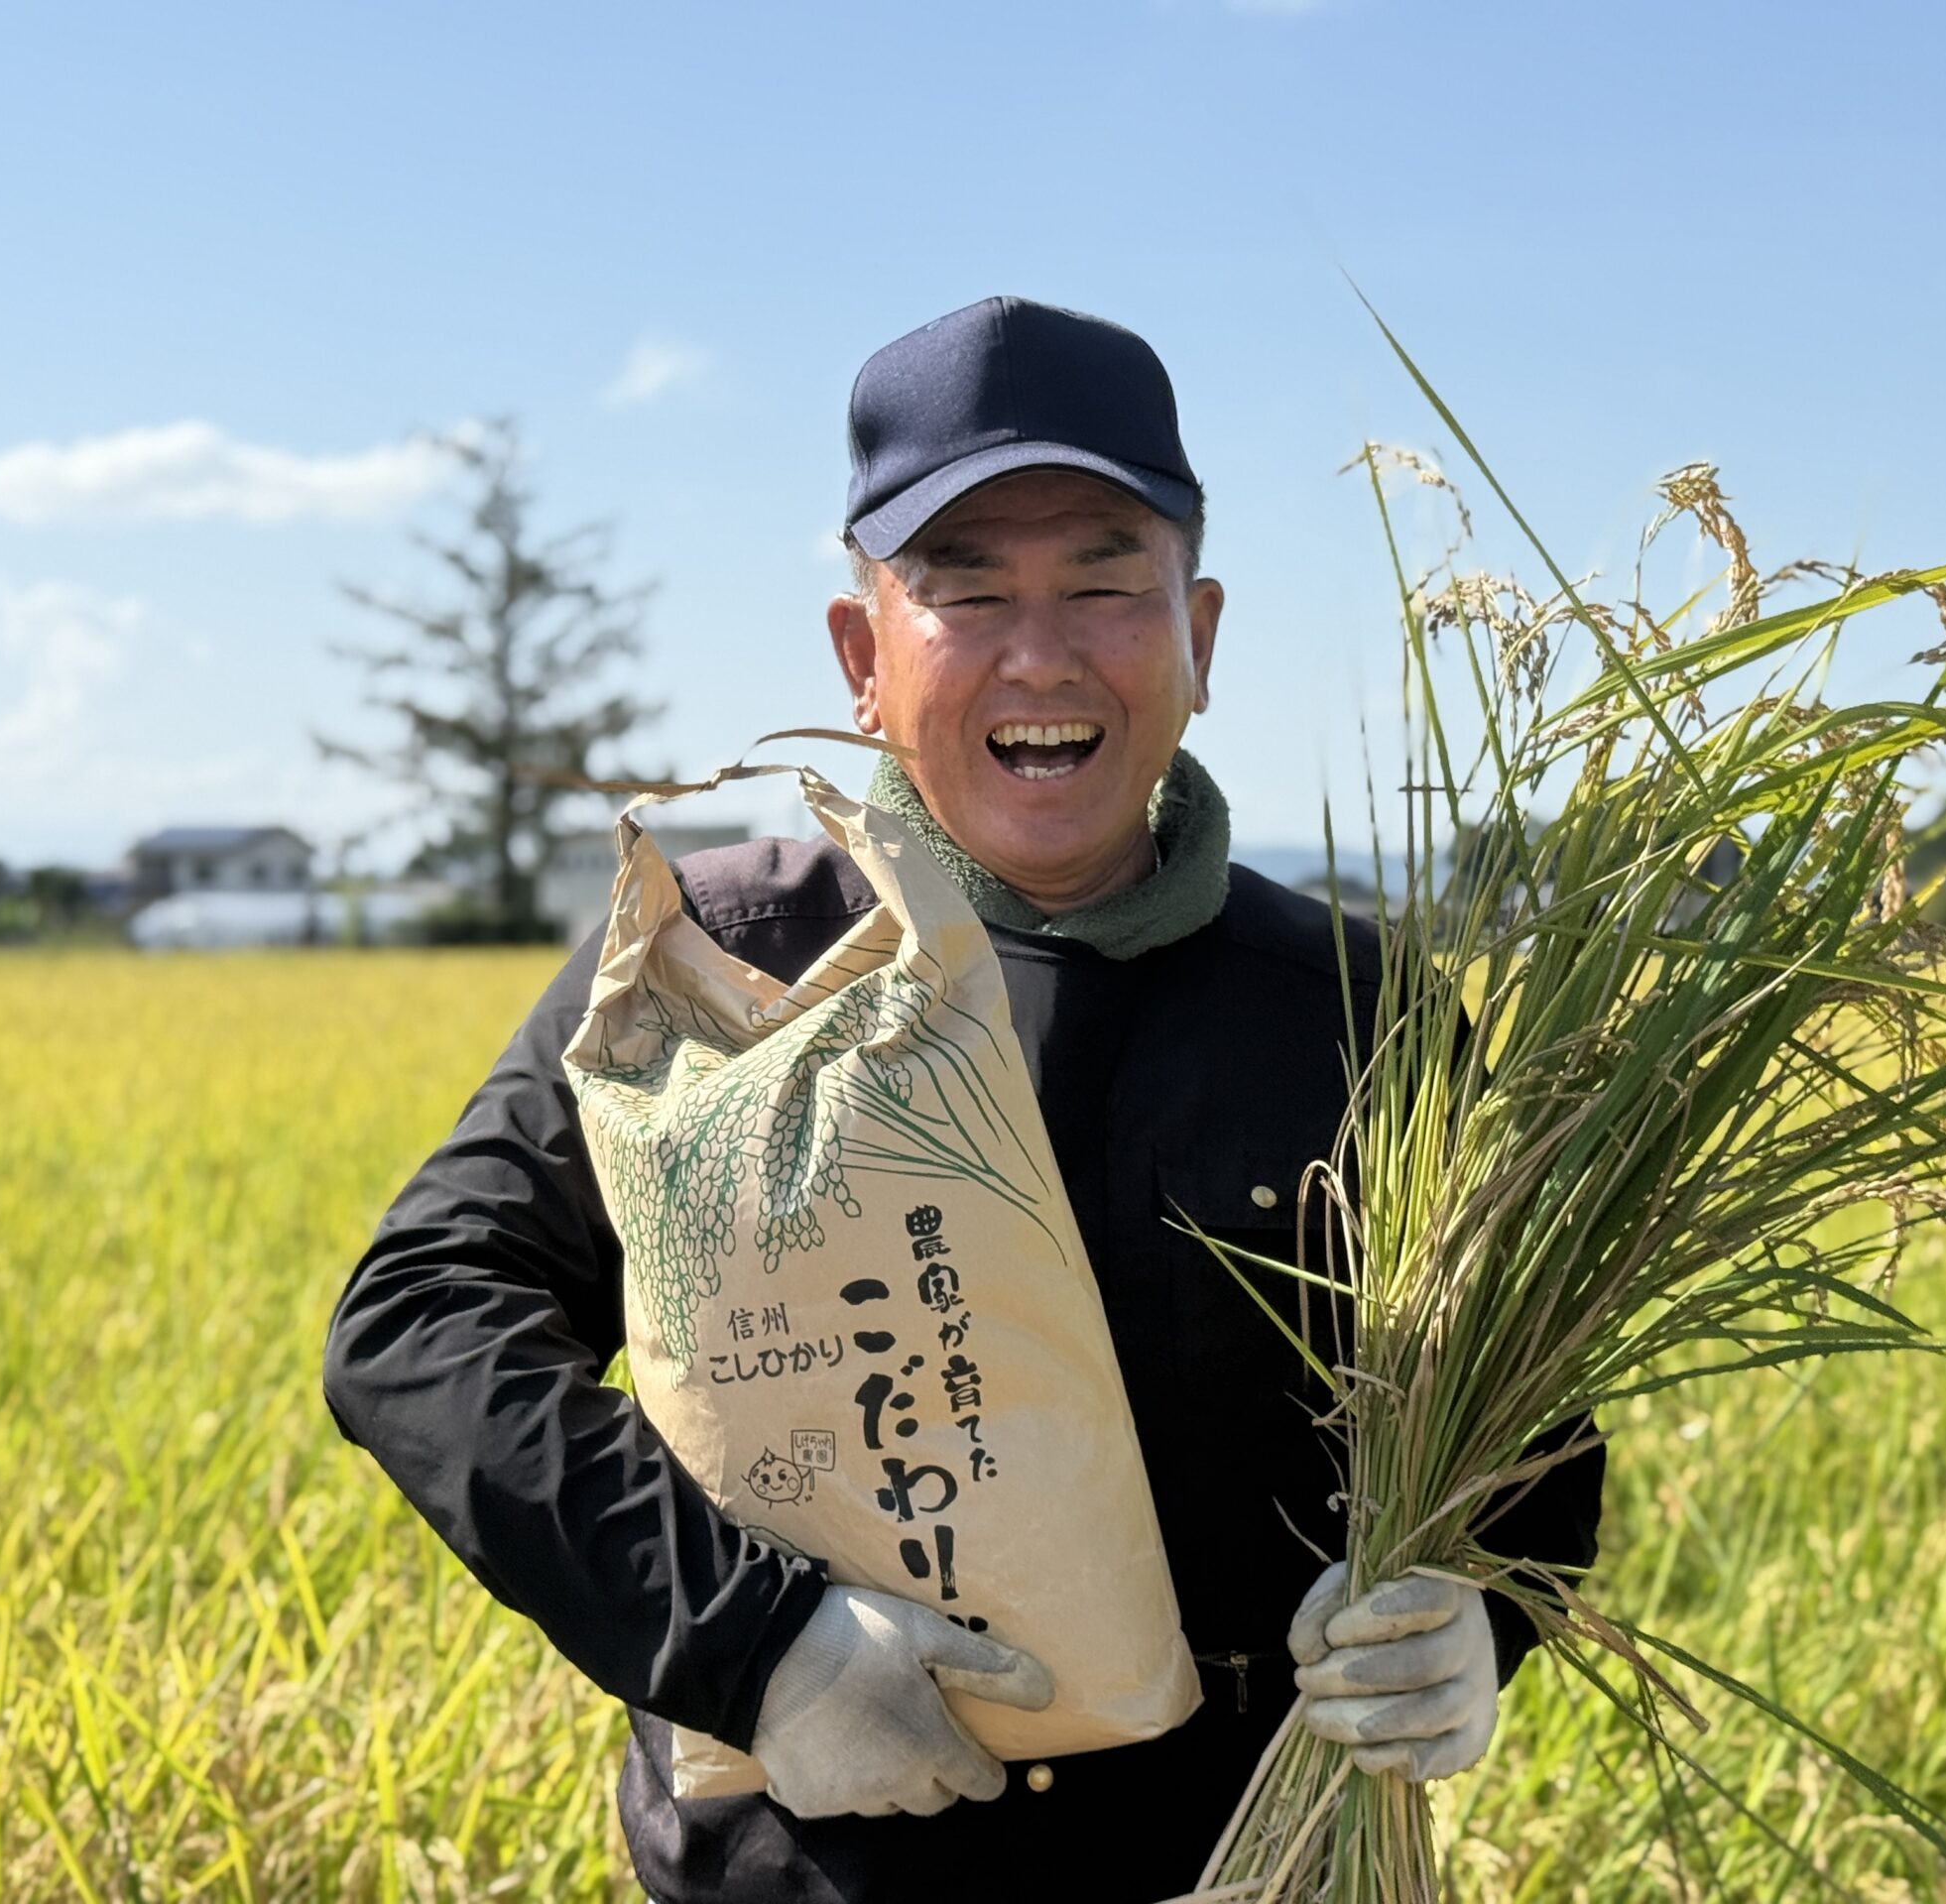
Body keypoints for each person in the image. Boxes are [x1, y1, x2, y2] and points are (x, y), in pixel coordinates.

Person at [323, 295, 1606, 1902]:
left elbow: (1529, 1426)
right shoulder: (710, 964)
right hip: (794, 1874)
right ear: (864, 656)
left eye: (1104, 583)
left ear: (1200, 634)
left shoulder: (1361, 1009)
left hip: (1238, 1866)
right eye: (968, 590)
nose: (1041, 652)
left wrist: (1475, 1618)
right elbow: (421, 1325)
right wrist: (757, 1645)